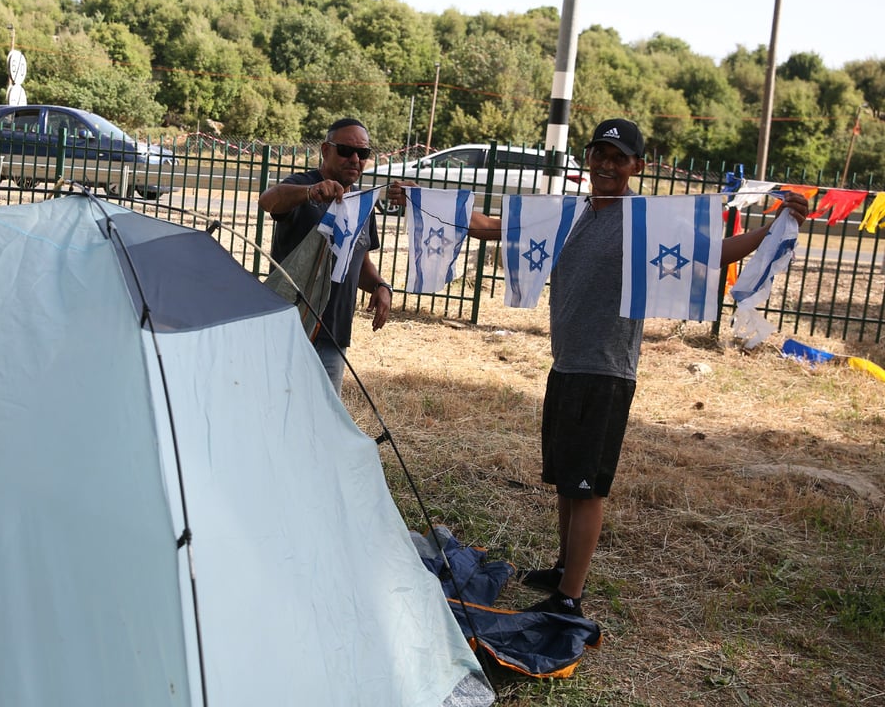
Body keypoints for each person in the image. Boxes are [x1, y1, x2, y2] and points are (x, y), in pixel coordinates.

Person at [388, 117, 810, 618]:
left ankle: (571, 596)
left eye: (619, 158)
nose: (607, 165)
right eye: (599, 155)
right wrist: (419, 198)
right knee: (567, 481)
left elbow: (711, 255)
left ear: (637, 166)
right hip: (567, 365)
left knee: (586, 490)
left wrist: (774, 228)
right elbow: (489, 227)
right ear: (588, 159)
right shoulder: (569, 215)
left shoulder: (643, 221)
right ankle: (563, 567)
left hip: (606, 372)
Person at [258, 117, 393, 392]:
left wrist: (380, 285)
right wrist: (310, 193)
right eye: (346, 150)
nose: (355, 159)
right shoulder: (303, 185)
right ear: (325, 150)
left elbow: (359, 261)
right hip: (290, 327)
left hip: (334, 334)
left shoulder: (361, 205)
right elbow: (268, 200)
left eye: (363, 153)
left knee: (321, 422)